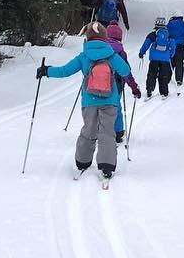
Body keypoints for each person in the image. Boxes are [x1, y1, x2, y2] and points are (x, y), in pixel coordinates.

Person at [37, 21, 141, 181]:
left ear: (88, 37)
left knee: (89, 131)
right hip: (110, 100)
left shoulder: (84, 56)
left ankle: (82, 162)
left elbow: (65, 71)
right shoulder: (111, 55)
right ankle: (106, 167)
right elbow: (125, 70)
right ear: (104, 37)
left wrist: (46, 71)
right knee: (107, 133)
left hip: (89, 101)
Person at [105, 21, 130, 141]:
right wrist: (134, 87)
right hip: (117, 84)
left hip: (100, 83)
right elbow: (126, 71)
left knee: (101, 107)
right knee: (116, 107)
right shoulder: (121, 51)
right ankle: (118, 132)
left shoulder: (101, 49)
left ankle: (101, 130)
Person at [138, 16, 174, 99]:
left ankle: (149, 90)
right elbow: (173, 46)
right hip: (165, 59)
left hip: (154, 59)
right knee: (163, 75)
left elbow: (146, 44)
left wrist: (141, 53)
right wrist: (171, 55)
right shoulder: (169, 34)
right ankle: (164, 92)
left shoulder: (152, 34)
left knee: (152, 74)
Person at [167, 14, 184, 87]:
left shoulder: (169, 24)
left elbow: (167, 33)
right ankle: (179, 80)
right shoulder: (183, 24)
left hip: (171, 45)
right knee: (179, 62)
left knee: (171, 61)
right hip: (180, 46)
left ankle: (168, 78)